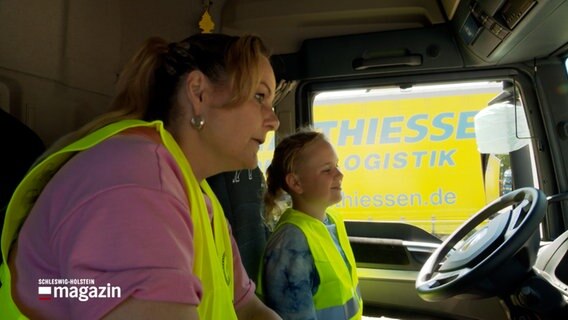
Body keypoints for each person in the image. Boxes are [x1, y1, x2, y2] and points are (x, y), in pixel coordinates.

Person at [0, 33, 281, 320]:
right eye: (259, 97)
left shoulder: (199, 195)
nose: (274, 121)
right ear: (198, 94)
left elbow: (245, 308)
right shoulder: (136, 180)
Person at [258, 129, 363, 319]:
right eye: (327, 170)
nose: (339, 175)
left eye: (337, 165)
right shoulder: (290, 245)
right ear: (296, 183)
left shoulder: (331, 219)